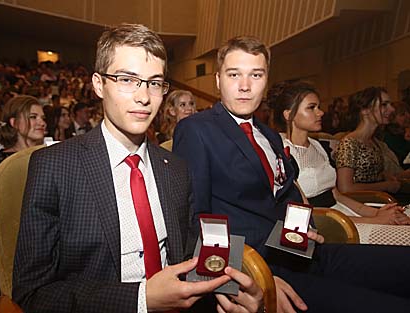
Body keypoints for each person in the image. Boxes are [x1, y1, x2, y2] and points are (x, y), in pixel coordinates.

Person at [12, 24, 263, 313]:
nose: (144, 97)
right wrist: (141, 299)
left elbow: (193, 253)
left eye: (154, 83)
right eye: (127, 80)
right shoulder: (55, 167)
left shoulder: (176, 169)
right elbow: (32, 294)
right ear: (98, 84)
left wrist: (230, 290)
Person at [173, 35, 410, 313]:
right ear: (217, 80)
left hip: (299, 251)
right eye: (234, 74)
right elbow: (195, 218)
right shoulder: (197, 130)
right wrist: (250, 281)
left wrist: (302, 230)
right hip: (258, 267)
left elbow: (285, 195)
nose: (245, 86)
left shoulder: (269, 135)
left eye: (256, 75)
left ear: (266, 80)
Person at [268, 80, 410, 245]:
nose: (320, 113)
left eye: (318, 107)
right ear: (288, 114)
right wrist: (375, 220)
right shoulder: (281, 151)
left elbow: (336, 194)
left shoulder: (317, 145)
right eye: (311, 108)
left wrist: (375, 212)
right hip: (326, 225)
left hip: (342, 214)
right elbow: (306, 215)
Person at [0, 95, 46, 312]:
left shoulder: (51, 158)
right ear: (13, 123)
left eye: (42, 117)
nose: (41, 122)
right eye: (32, 117)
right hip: (8, 234)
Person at [335, 87, 410, 197]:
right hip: (365, 204)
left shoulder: (373, 141)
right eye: (384, 105)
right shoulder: (349, 143)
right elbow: (345, 188)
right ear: (365, 110)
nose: (392, 109)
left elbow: (369, 174)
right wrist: (385, 185)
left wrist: (385, 176)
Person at [382, 101, 410, 170]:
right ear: (392, 118)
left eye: (408, 112)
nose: (408, 116)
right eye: (402, 114)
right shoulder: (389, 136)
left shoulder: (404, 131)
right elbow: (404, 160)